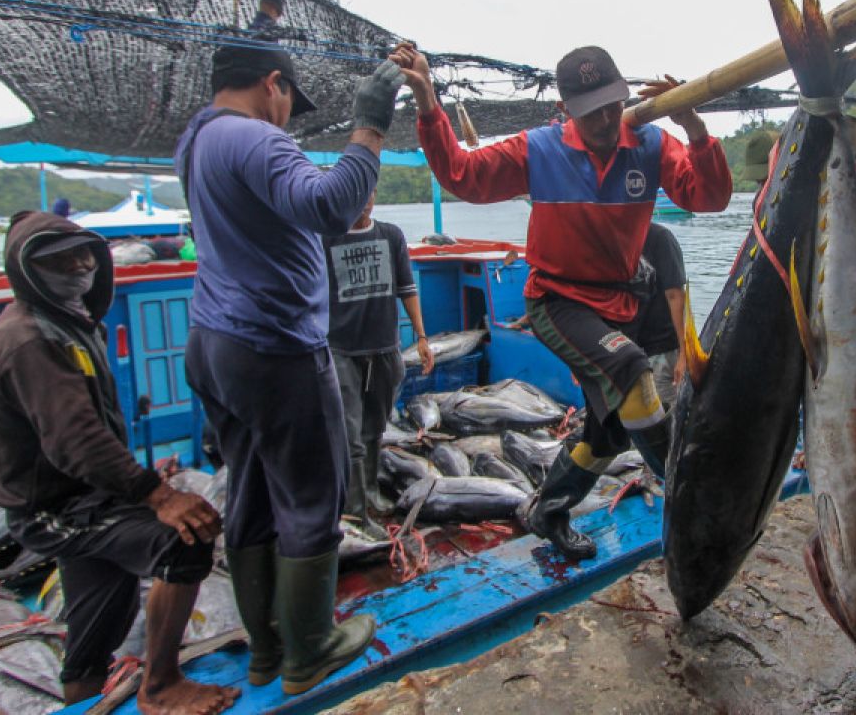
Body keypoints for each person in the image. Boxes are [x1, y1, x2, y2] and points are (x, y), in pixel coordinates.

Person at [394, 42, 732, 560]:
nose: (606, 119)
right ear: (565, 109)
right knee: (632, 367)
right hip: (556, 301)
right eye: (591, 111)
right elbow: (463, 175)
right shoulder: (538, 150)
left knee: (609, 435)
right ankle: (692, 497)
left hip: (619, 306)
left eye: (613, 105)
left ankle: (547, 511)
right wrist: (426, 100)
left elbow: (709, 198)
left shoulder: (650, 143)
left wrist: (696, 130)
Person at [178, 42, 405, 694]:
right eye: (288, 100)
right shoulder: (255, 138)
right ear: (272, 83)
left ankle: (266, 650)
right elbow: (332, 206)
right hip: (275, 347)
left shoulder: (196, 141)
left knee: (249, 490)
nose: (287, 116)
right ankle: (310, 651)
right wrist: (369, 124)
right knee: (311, 497)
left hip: (214, 342)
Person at [0, 211, 236, 714]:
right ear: (28, 271)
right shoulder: (29, 340)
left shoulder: (66, 321)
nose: (78, 266)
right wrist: (158, 495)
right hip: (56, 505)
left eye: (83, 255)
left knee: (98, 624)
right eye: (59, 261)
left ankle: (84, 700)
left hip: (88, 492)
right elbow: (75, 441)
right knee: (183, 541)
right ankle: (160, 684)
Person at [324, 192, 434, 533]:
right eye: (357, 193)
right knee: (350, 435)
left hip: (385, 348)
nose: (365, 200)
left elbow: (407, 288)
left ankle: (370, 491)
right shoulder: (325, 238)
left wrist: (421, 336)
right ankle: (356, 514)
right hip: (341, 350)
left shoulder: (391, 235)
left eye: (370, 193)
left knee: (375, 429)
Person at [635, 222, 687, 409]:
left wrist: (684, 353)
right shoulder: (618, 239)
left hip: (661, 349)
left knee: (663, 417)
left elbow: (675, 295)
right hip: (628, 350)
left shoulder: (660, 238)